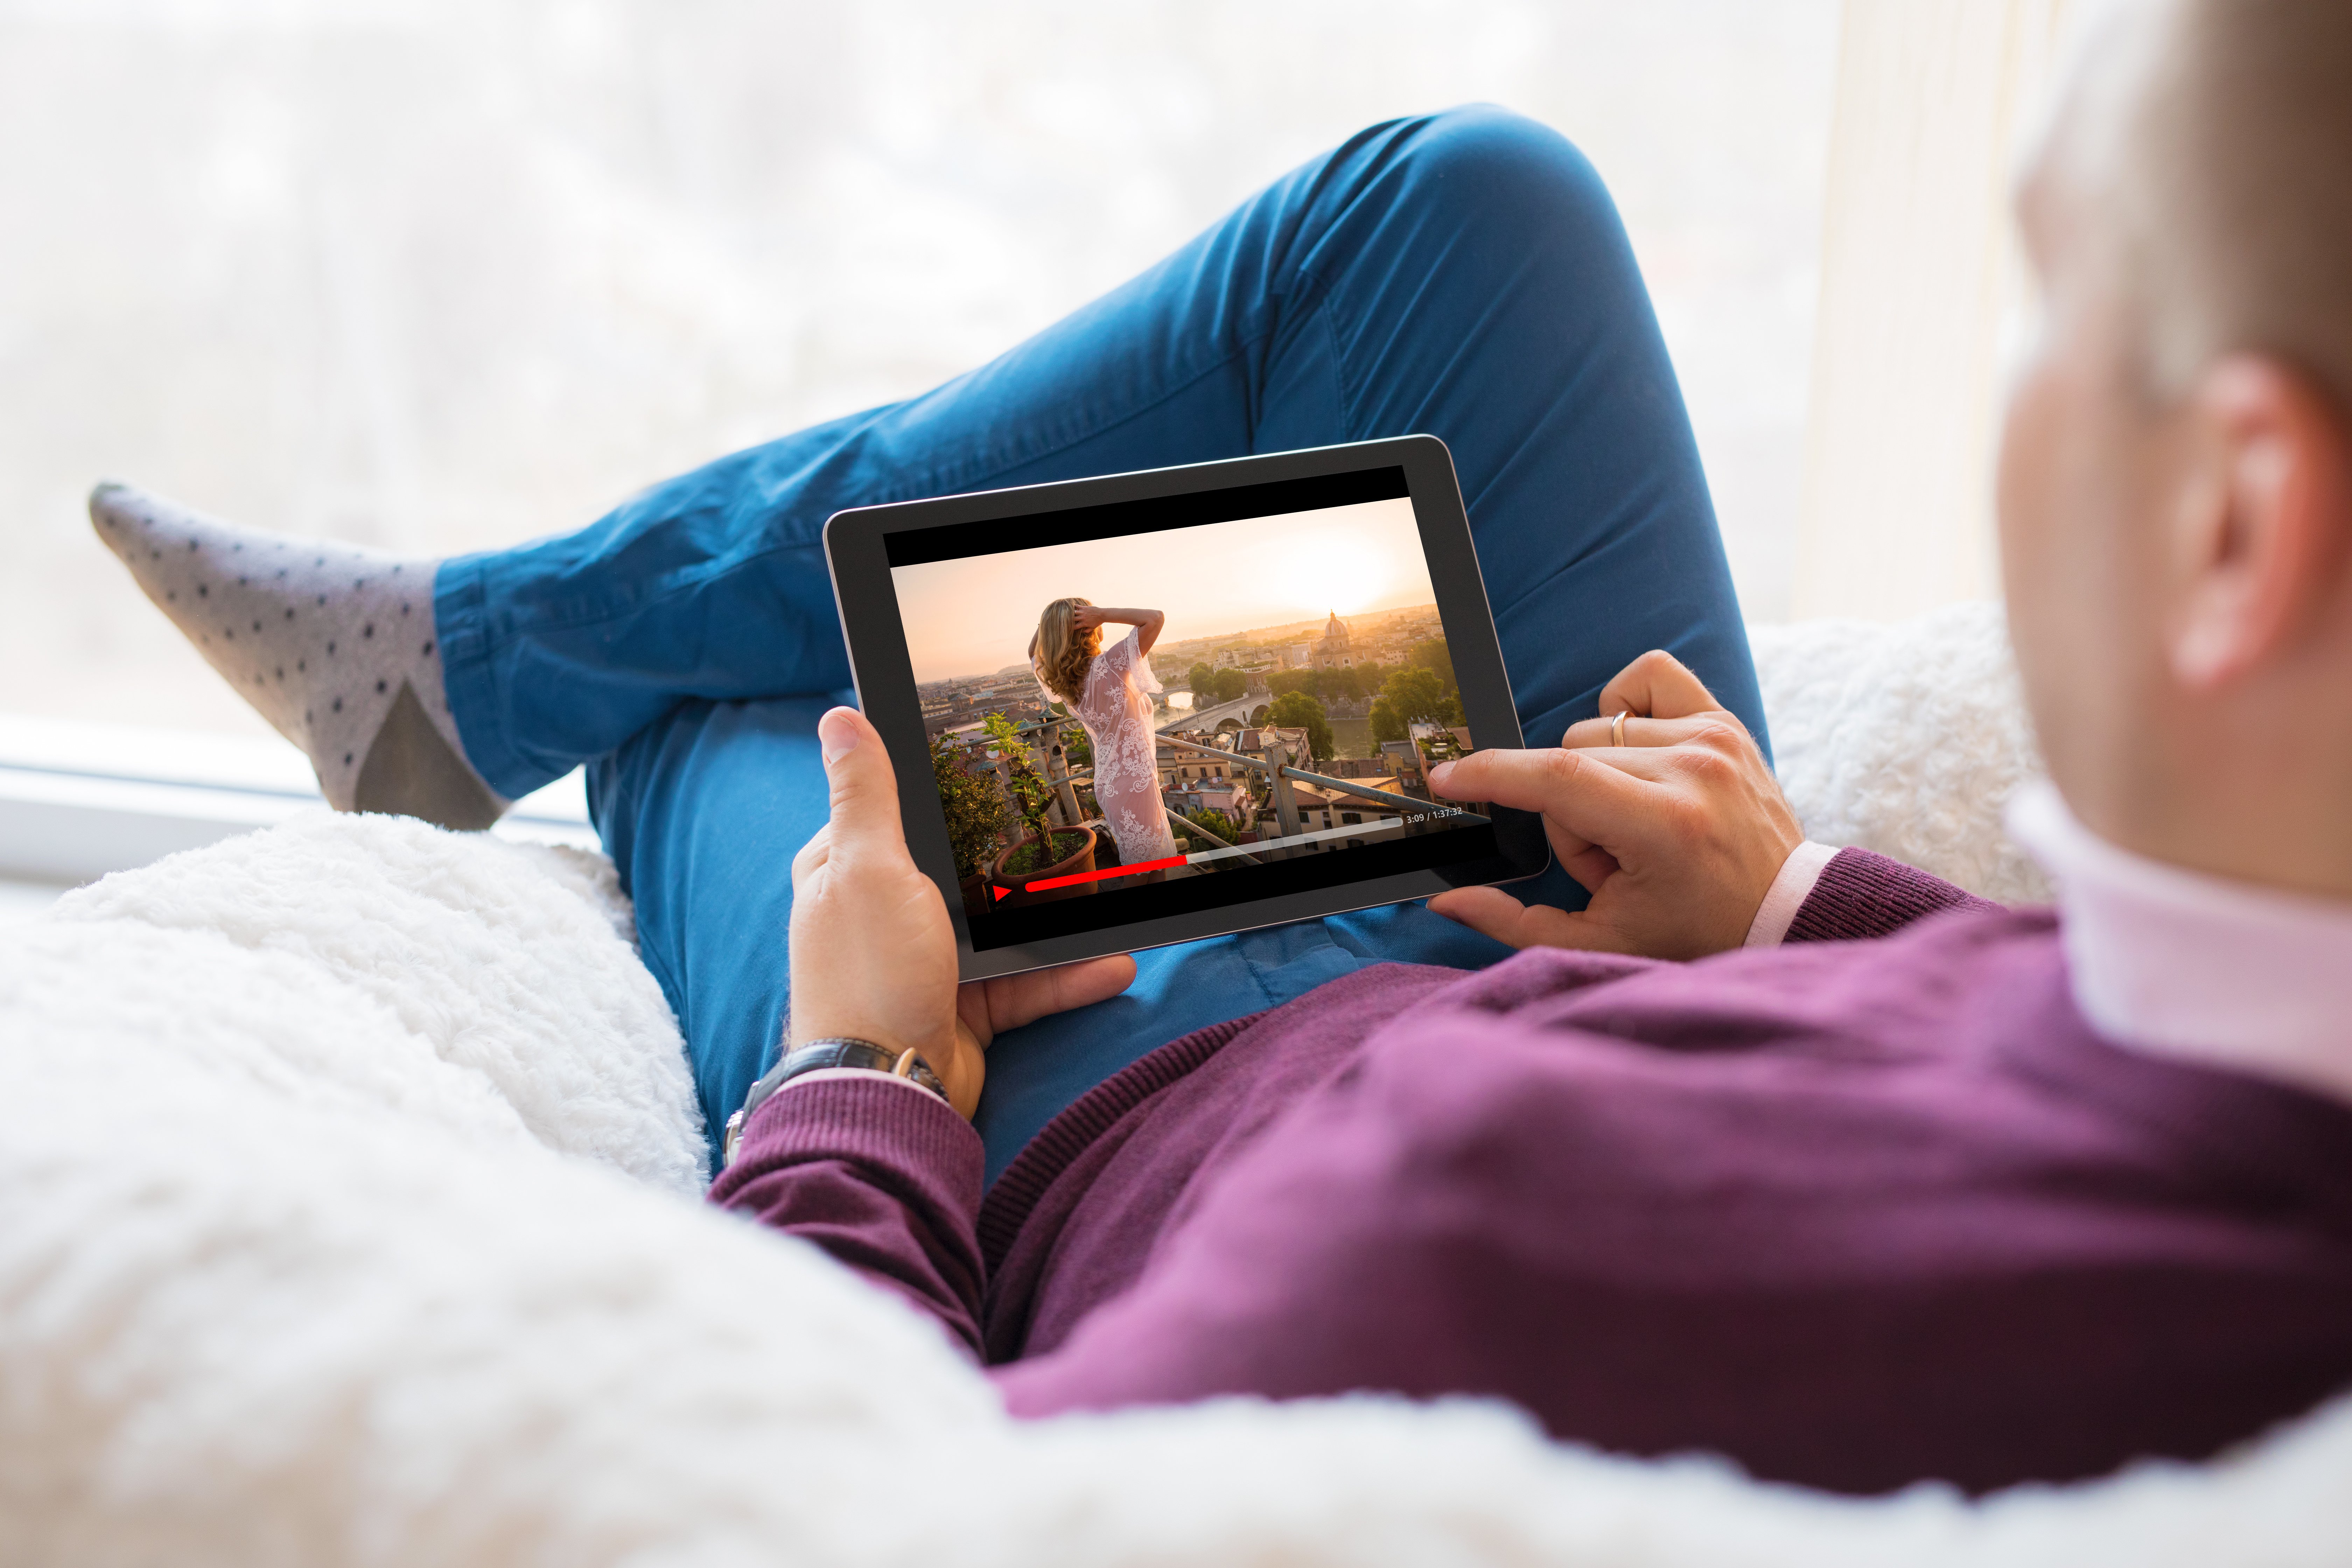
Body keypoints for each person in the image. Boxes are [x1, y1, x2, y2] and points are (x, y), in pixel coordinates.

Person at [89, 0, 2352, 1497]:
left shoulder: (1508, 1233)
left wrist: (860, 1080)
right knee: (1463, 199)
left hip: (1116, 1114)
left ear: (2236, 523)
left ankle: (494, 675)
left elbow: (845, 1493)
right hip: (1616, 936)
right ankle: (481, 661)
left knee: (737, 731)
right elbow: (2094, 1085)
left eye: (2058, 302)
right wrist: (1799, 906)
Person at [1027, 598, 1179, 871]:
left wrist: (1051, 625)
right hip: (1134, 782)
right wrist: (1103, 614)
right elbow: (1155, 618)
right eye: (1087, 615)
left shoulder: (1064, 679)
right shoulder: (1110, 666)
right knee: (1143, 867)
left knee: (1151, 863)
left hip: (1112, 782)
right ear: (1086, 627)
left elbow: (1033, 652)